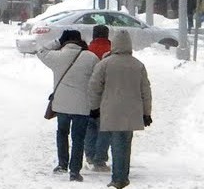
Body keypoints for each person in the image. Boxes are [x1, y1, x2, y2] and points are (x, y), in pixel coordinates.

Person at [87, 30, 151, 189]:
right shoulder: (138, 65)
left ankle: (118, 178)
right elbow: (146, 92)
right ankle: (123, 176)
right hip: (131, 112)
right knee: (125, 144)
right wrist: (146, 113)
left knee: (116, 144)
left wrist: (94, 107)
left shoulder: (105, 64)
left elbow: (94, 87)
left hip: (111, 110)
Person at [39, 29, 97, 181]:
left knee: (62, 133)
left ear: (64, 40)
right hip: (82, 106)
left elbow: (40, 50)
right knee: (79, 138)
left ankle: (62, 164)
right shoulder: (90, 57)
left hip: (62, 105)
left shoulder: (56, 56)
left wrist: (57, 42)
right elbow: (97, 79)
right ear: (80, 41)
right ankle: (75, 171)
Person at [83, 25, 113, 173]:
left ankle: (89, 155)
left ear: (94, 35)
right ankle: (100, 159)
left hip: (87, 96)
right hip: (107, 96)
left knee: (90, 127)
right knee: (104, 129)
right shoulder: (112, 53)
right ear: (107, 36)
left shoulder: (86, 52)